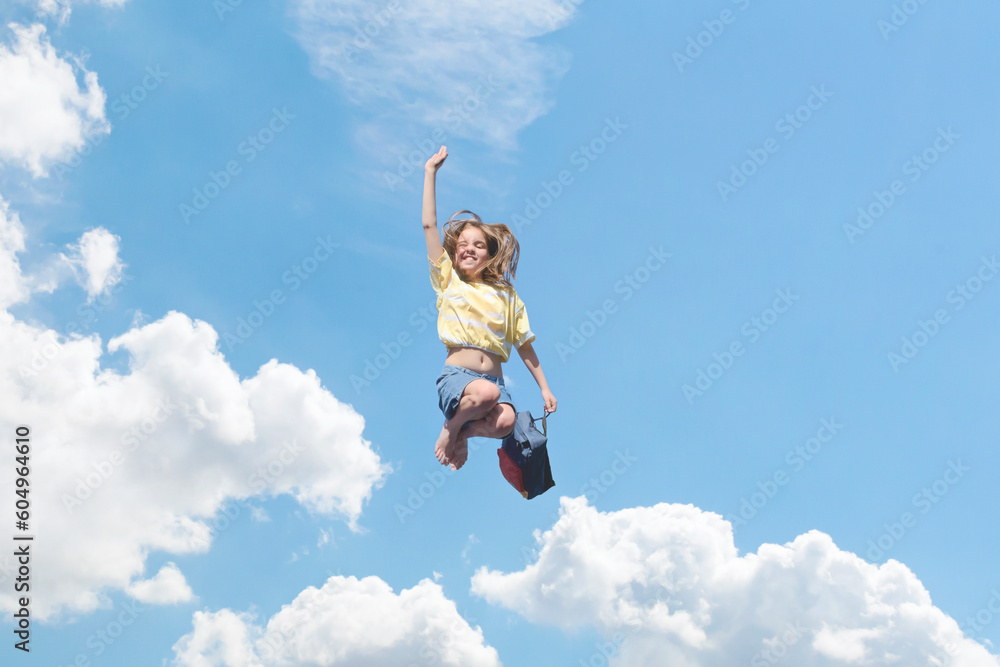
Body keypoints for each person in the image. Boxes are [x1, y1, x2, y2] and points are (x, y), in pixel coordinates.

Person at [422, 145, 557, 471]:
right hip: (459, 378)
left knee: (506, 422)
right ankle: (450, 428)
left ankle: (463, 434)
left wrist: (545, 387)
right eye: (463, 244)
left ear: (490, 254)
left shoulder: (507, 297)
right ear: (454, 254)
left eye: (478, 245)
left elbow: (524, 344)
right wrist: (430, 173)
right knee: (484, 395)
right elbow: (429, 226)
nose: (469, 248)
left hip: (494, 385)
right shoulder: (449, 280)